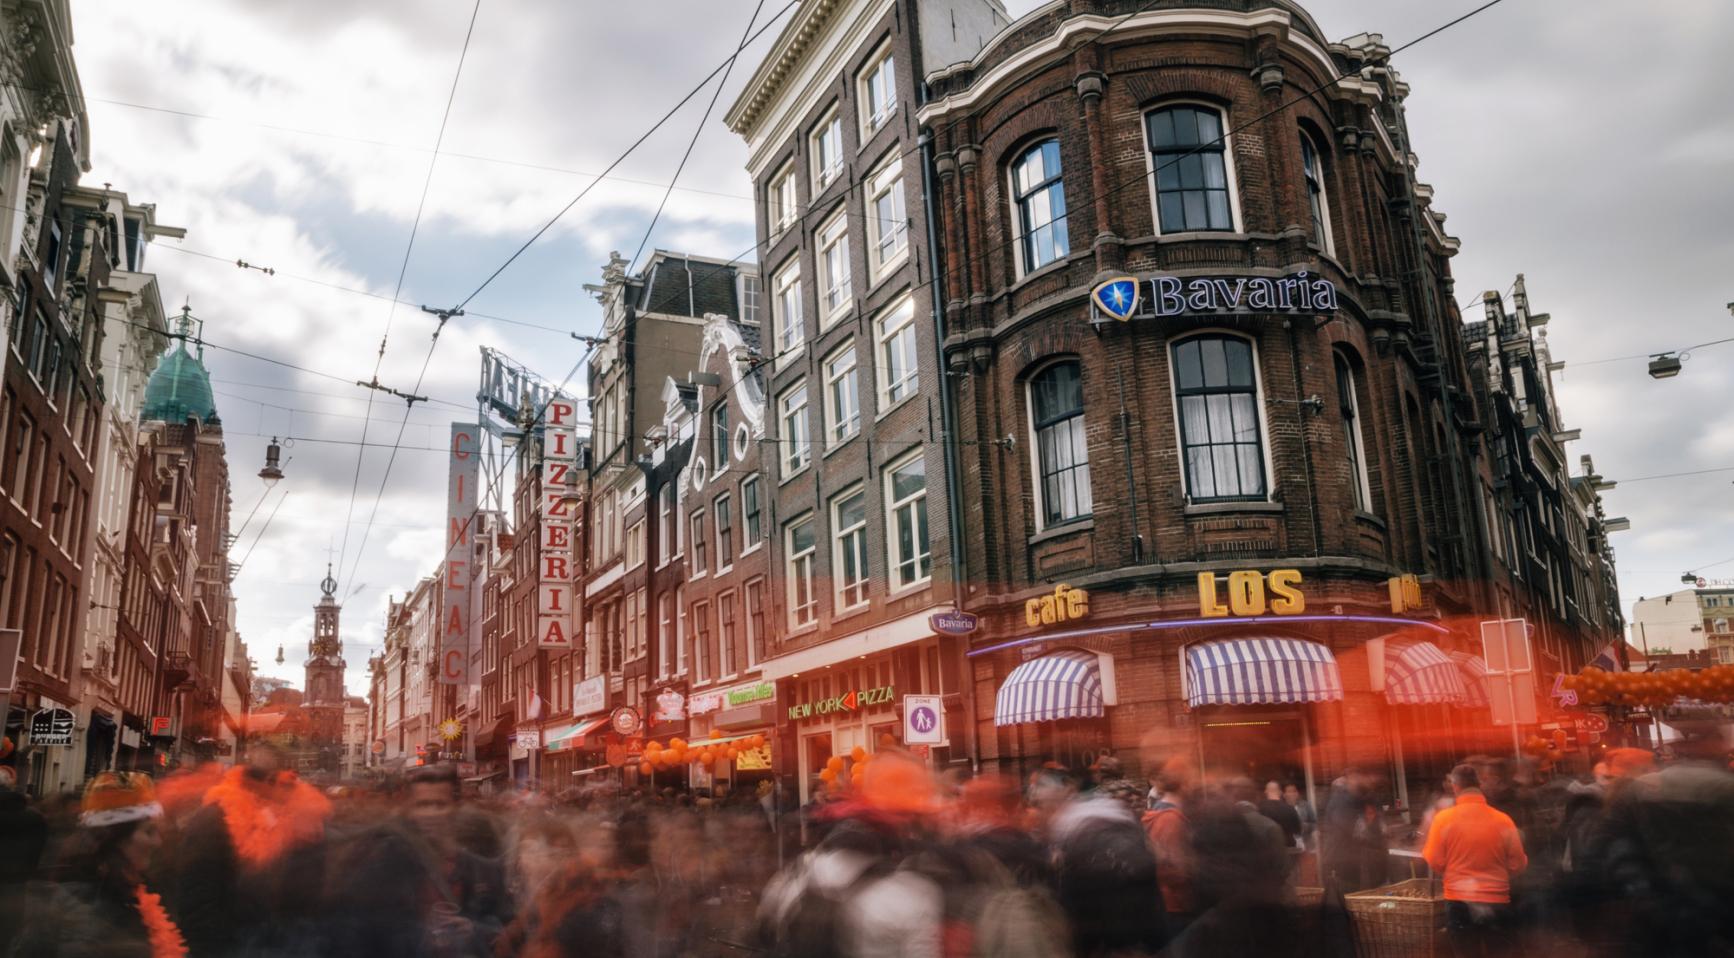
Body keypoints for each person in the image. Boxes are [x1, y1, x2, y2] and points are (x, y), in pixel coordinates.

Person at [172, 743, 333, 955]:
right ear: (269, 781)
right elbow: (198, 900)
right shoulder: (215, 819)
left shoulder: (287, 818)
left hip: (271, 942)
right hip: (232, 945)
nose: (294, 792)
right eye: (288, 784)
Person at [14, 772, 189, 957]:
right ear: (117, 839)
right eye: (149, 832)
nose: (158, 842)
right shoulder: (87, 904)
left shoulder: (135, 892)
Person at [1421, 764, 1527, 957]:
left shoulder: (1443, 820)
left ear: (1455, 786)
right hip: (1497, 901)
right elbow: (1518, 864)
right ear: (1480, 786)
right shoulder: (1503, 820)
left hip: (1459, 902)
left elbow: (1434, 860)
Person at [1143, 758, 1197, 939]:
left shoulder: (1159, 814)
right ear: (1184, 784)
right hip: (1175, 906)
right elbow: (1173, 866)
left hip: (1166, 903)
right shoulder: (1170, 819)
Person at [1320, 766, 1387, 894]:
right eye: (1363, 778)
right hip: (1338, 865)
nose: (1368, 781)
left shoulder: (1362, 799)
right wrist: (1379, 838)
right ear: (1351, 778)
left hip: (1352, 864)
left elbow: (1375, 824)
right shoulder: (1341, 801)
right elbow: (1359, 832)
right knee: (1344, 903)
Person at [1257, 780, 1303, 850]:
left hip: (1269, 850)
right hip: (1288, 848)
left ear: (1266, 791)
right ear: (1280, 792)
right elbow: (1297, 830)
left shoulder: (1260, 808)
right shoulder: (1290, 809)